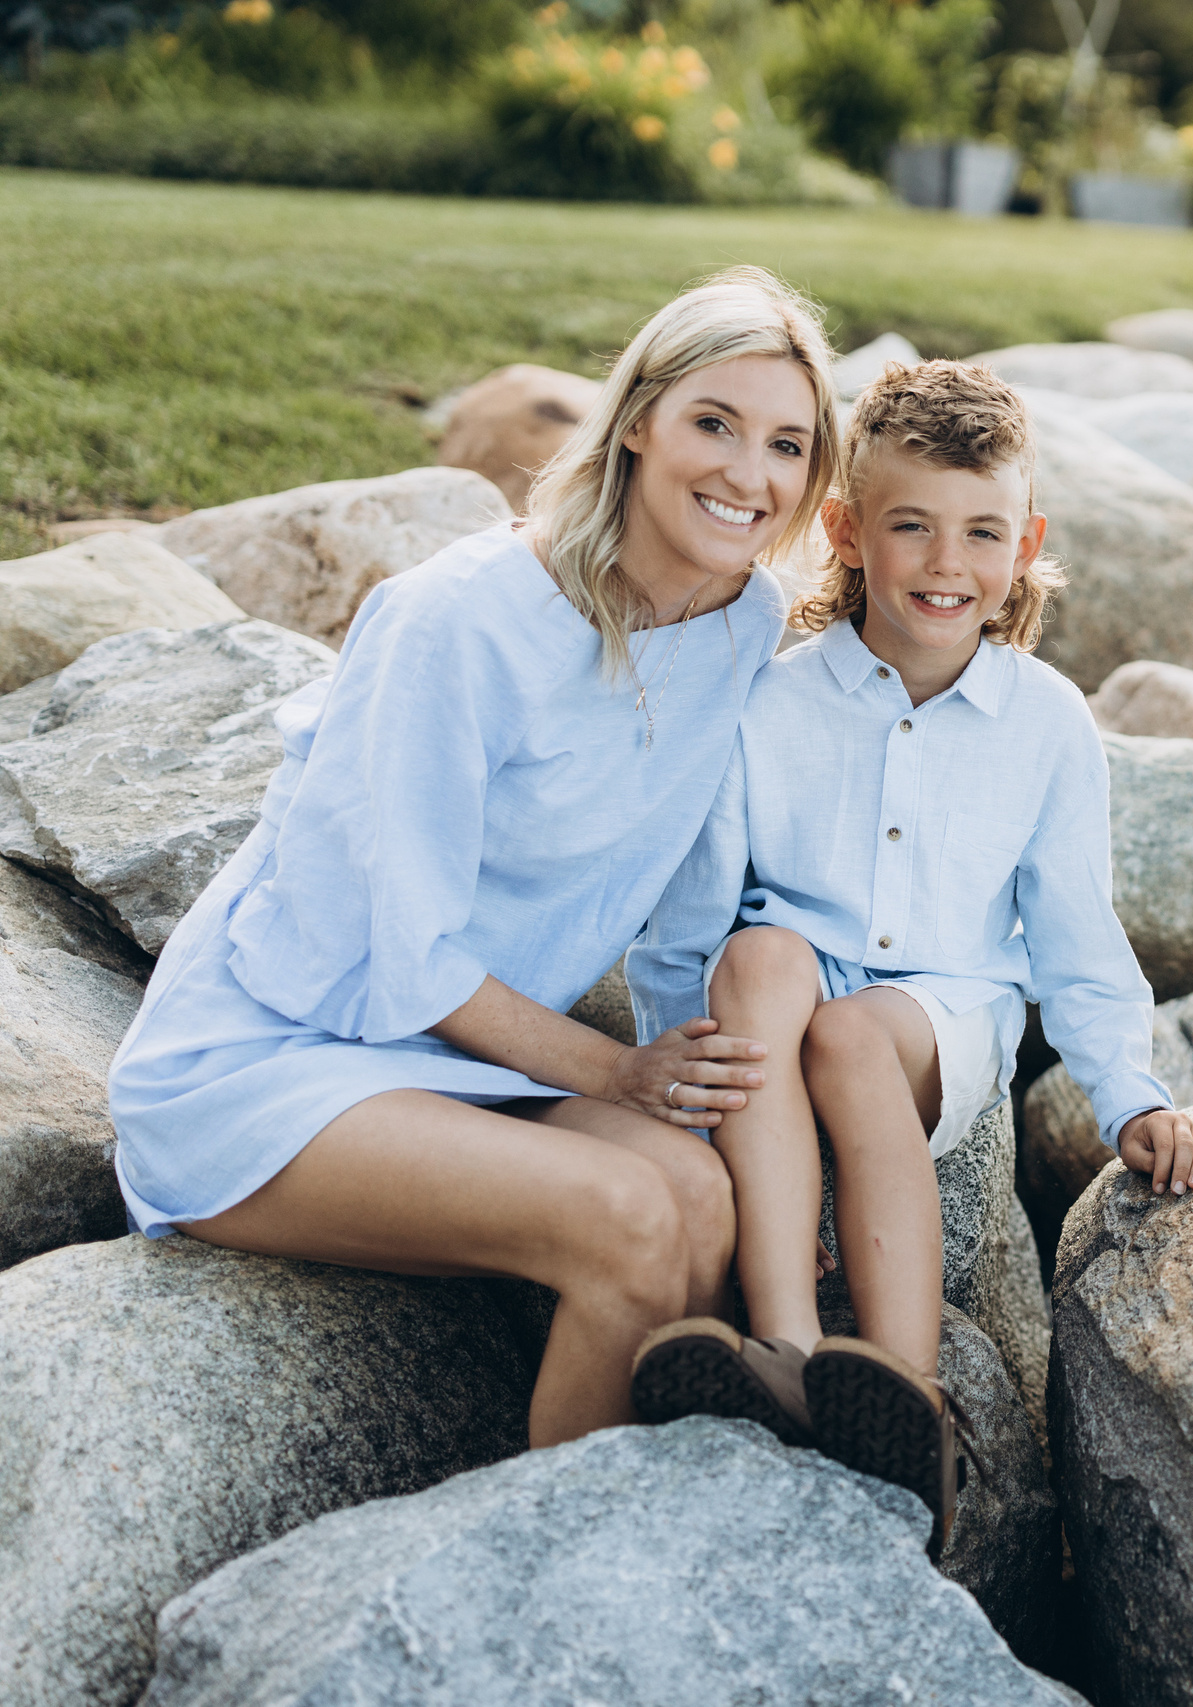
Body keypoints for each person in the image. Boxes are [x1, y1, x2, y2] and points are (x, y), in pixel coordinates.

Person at [107, 266, 834, 1449]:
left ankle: (661, 1534)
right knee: (630, 1219)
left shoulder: (745, 626)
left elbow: (691, 914)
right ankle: (543, 1572)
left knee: (701, 1202)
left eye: (788, 446)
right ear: (638, 421)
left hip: (453, 1062)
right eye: (715, 423)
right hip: (276, 1053)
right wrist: (611, 1077)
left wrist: (714, 1121)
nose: (750, 475)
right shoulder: (457, 619)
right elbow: (397, 955)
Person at [624, 360, 1193, 1549]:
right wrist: (666, 1080)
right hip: (796, 990)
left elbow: (1076, 934)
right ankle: (787, 1345)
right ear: (845, 530)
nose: (949, 565)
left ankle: (906, 1390)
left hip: (942, 1017)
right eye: (913, 528)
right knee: (758, 964)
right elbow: (689, 916)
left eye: (983, 532)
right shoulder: (770, 699)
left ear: (1025, 541)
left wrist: (1128, 1092)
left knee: (848, 1033)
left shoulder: (1046, 721)